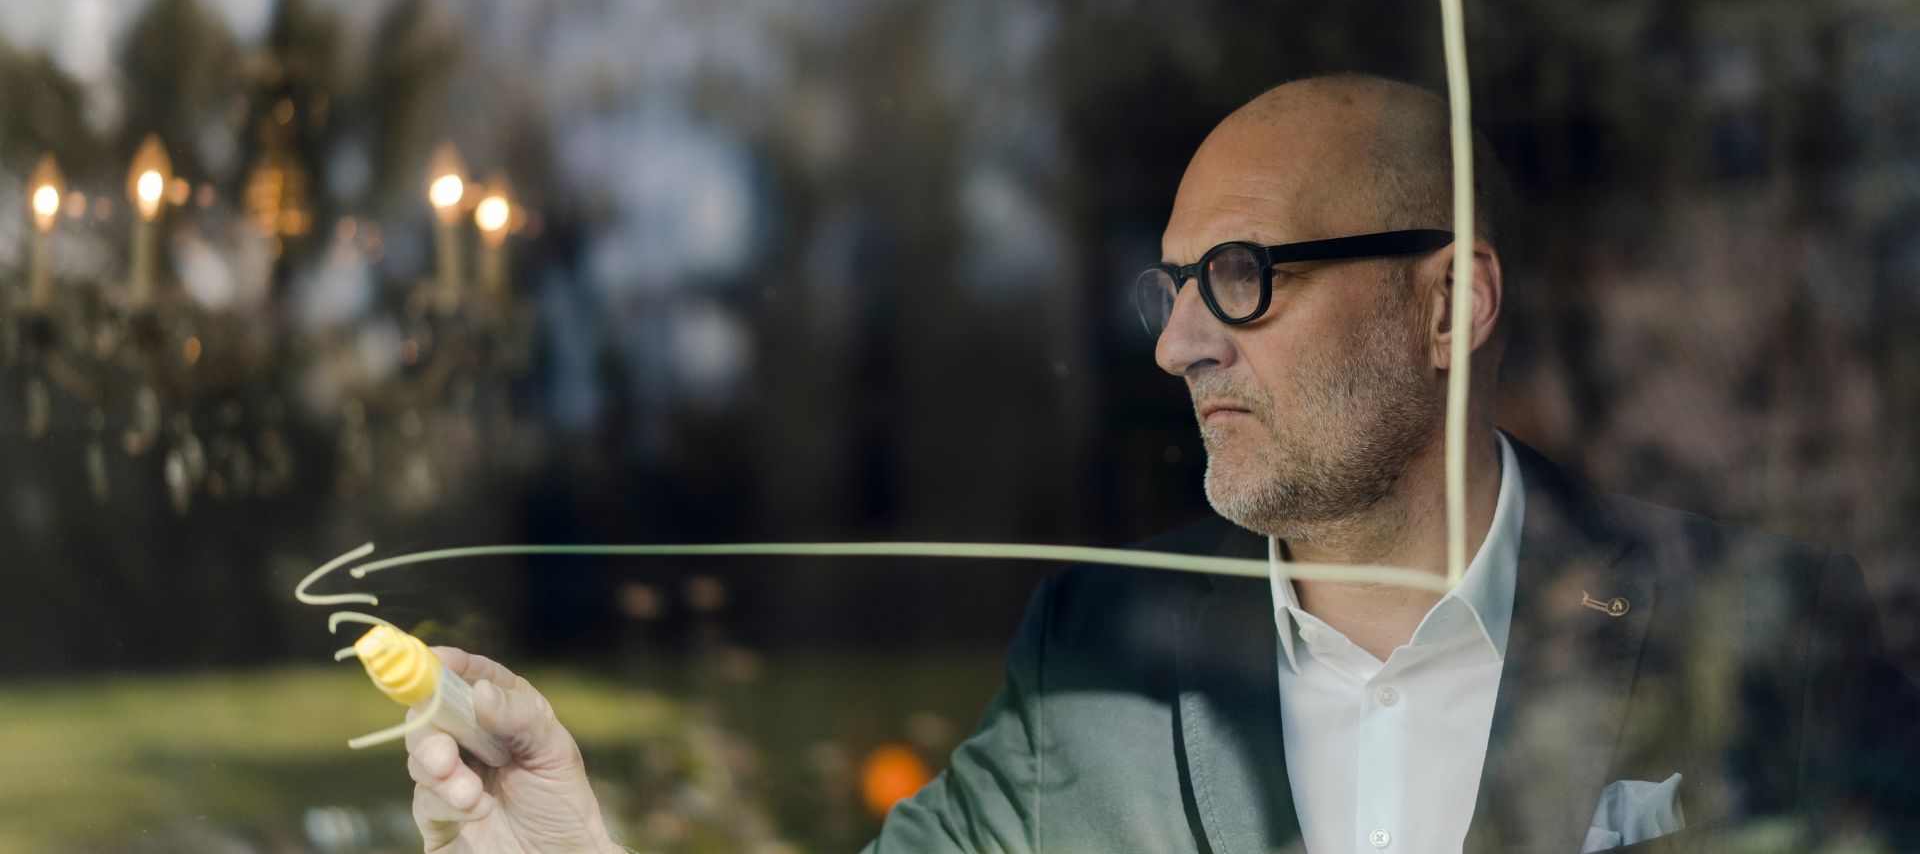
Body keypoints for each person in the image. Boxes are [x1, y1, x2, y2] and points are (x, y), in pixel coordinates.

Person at [403, 75, 1920, 853]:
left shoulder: (1767, 634)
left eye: (1243, 277)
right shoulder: (1096, 664)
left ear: (1449, 300)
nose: (1179, 343)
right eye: (1175, 286)